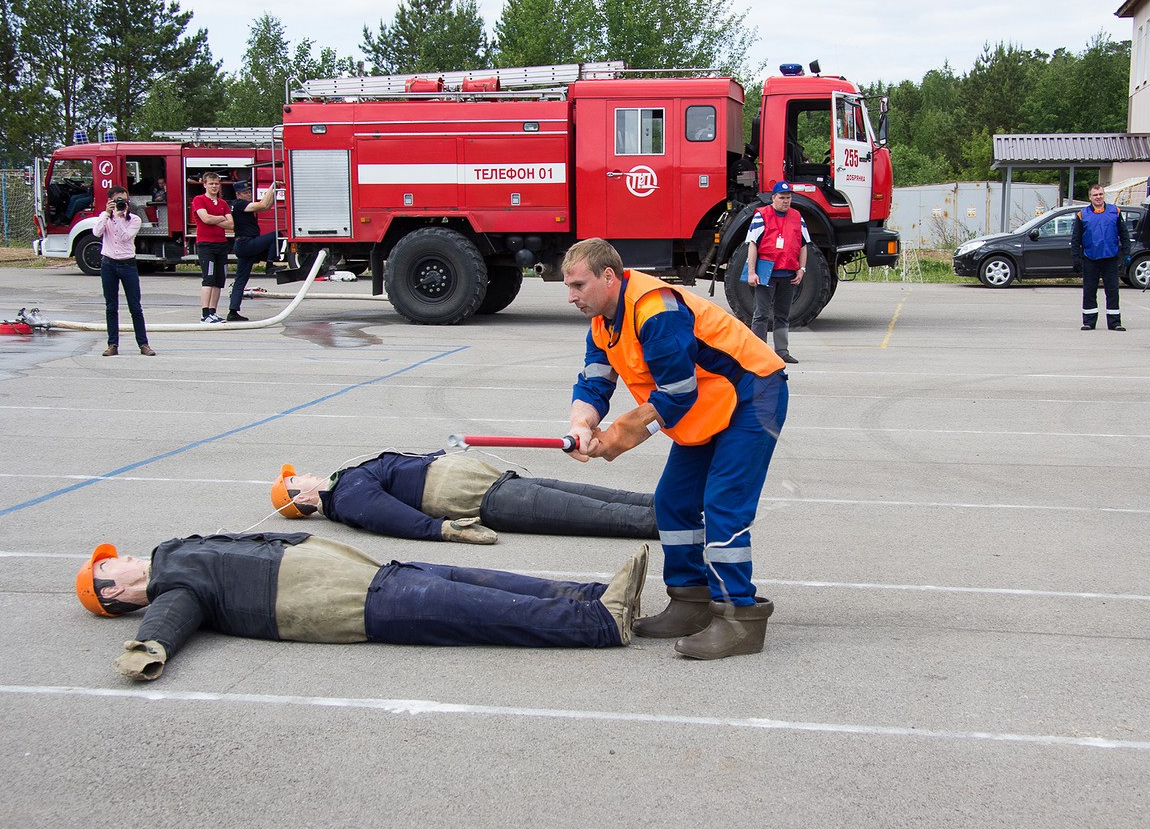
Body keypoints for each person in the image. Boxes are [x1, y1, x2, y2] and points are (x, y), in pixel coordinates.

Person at [562, 238, 788, 661]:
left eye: (578, 285)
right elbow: (594, 383)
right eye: (568, 286)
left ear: (608, 277)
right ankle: (691, 601)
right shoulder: (602, 320)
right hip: (713, 401)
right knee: (674, 501)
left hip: (754, 393)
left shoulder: (655, 310)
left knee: (724, 503)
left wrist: (618, 437)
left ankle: (740, 617)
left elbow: (678, 393)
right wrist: (581, 424)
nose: (571, 296)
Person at [75, 534, 648, 681]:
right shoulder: (172, 590)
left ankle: (590, 594)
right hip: (347, 603)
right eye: (109, 567)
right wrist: (147, 647)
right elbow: (167, 622)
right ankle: (601, 623)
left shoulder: (172, 552)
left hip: (356, 570)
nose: (118, 558)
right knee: (476, 608)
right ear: (114, 593)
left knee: (481, 579)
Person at [273, 449, 657, 544]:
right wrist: (440, 529)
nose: (303, 473)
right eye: (296, 479)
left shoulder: (346, 483)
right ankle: (698, 529)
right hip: (486, 498)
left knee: (616, 497)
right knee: (609, 515)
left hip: (495, 482)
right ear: (301, 498)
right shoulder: (346, 495)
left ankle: (692, 509)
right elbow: (386, 514)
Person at [744, 180, 810, 363]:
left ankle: (781, 351)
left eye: (788, 197)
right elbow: (753, 244)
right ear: (773, 198)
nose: (786, 201)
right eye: (782, 197)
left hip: (788, 273)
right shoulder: (761, 216)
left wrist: (802, 269)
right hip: (767, 273)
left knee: (782, 315)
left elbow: (804, 245)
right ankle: (759, 353)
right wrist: (751, 272)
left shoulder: (797, 217)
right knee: (761, 314)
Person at [92, 185, 154, 357]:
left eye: (124, 200)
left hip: (128, 265)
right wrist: (107, 214)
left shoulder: (134, 219)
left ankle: (143, 344)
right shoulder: (104, 218)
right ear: (110, 201)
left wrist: (119, 217)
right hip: (109, 264)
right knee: (111, 307)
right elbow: (96, 233)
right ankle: (113, 344)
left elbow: (125, 237)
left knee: (135, 307)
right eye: (117, 200)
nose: (121, 203)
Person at [1071, 184, 1131, 331]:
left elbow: (1124, 234)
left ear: (1104, 195)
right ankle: (1089, 322)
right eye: (1095, 195)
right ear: (1090, 197)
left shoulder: (1115, 211)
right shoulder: (1082, 214)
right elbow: (1076, 238)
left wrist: (1127, 253)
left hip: (1110, 258)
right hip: (1090, 258)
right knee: (1089, 291)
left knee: (1112, 291)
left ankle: (1114, 322)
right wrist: (1076, 258)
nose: (1098, 197)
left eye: (1100, 194)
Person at [225, 180, 281, 321]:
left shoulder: (238, 205)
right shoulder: (239, 204)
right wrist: (272, 186)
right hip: (246, 243)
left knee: (241, 280)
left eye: (250, 191)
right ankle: (269, 264)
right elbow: (262, 205)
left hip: (244, 245)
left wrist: (275, 191)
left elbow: (266, 206)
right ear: (238, 194)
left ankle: (233, 312)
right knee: (276, 235)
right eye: (245, 192)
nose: (248, 194)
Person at [191, 172, 232, 323]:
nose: (214, 186)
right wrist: (221, 218)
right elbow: (205, 218)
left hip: (221, 244)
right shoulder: (199, 200)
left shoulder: (223, 203)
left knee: (219, 280)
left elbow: (231, 224)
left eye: (216, 183)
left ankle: (213, 312)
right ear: (204, 184)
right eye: (211, 183)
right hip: (206, 244)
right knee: (208, 278)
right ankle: (205, 313)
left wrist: (216, 219)